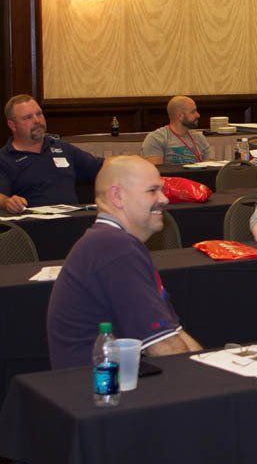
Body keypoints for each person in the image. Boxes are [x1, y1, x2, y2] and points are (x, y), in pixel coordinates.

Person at [46, 156, 202, 369]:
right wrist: (212, 379)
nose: (164, 199)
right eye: (152, 191)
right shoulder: (115, 248)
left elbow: (172, 332)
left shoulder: (109, 242)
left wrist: (209, 370)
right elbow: (165, 348)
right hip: (98, 385)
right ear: (117, 197)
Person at [0, 94, 103, 213]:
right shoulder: (4, 158)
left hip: (73, 219)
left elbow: (100, 166)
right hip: (32, 221)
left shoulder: (62, 148)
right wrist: (7, 202)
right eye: (28, 117)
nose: (37, 120)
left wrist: (121, 162)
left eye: (39, 114)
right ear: (12, 125)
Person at [141, 96, 214, 165]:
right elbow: (155, 170)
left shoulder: (199, 137)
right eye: (193, 112)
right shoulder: (156, 138)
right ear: (180, 116)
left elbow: (210, 167)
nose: (198, 115)